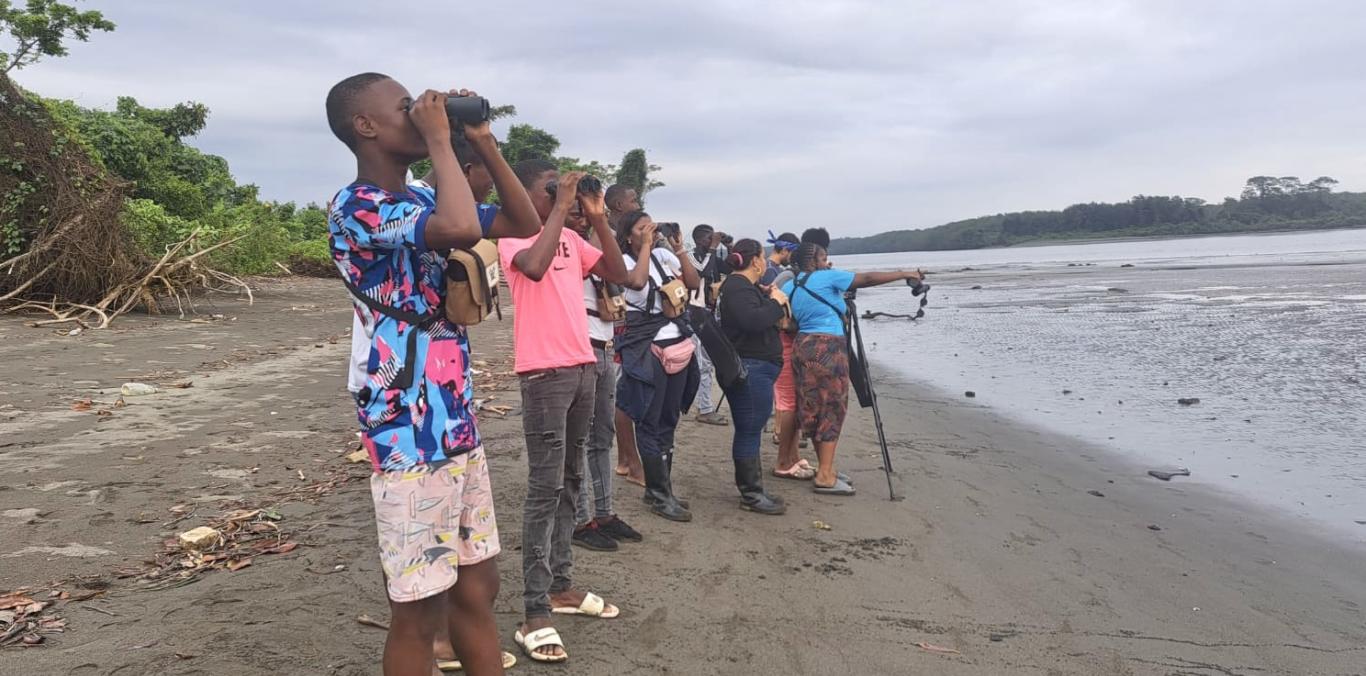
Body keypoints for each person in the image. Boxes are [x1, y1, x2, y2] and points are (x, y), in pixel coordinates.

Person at [325, 74, 541, 676]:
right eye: (404, 108)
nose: (420, 113)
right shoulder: (356, 206)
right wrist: (443, 141)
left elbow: (522, 221)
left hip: (455, 419)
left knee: (478, 588)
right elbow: (460, 230)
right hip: (403, 426)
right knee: (419, 610)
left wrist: (483, 141)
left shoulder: (422, 194)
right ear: (365, 126)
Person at [497, 159, 637, 664]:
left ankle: (561, 585)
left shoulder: (573, 240)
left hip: (583, 367)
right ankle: (535, 610)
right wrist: (559, 206)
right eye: (551, 189)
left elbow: (621, 275)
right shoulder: (513, 239)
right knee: (545, 487)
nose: (564, 196)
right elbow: (532, 268)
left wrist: (599, 217)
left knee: (572, 480)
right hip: (543, 374)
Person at [781, 233, 923, 496]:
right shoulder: (826, 278)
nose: (828, 262)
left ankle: (826, 467)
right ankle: (824, 474)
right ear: (813, 259)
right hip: (829, 348)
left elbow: (785, 319)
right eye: (824, 258)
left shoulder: (791, 286)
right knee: (832, 407)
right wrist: (904, 273)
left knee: (812, 405)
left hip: (802, 346)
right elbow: (867, 279)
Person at [565, 201, 645, 553]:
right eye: (577, 212)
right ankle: (580, 520)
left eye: (591, 212)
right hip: (576, 347)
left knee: (602, 436)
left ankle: (604, 511)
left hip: (603, 344)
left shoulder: (596, 245)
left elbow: (626, 277)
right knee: (579, 439)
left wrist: (601, 225)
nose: (586, 219)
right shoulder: (563, 245)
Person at [615, 211, 701, 521]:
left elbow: (692, 283)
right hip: (647, 347)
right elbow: (636, 284)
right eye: (642, 228)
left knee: (670, 417)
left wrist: (678, 248)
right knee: (649, 420)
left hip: (677, 342)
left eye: (651, 226)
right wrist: (646, 248)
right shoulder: (623, 261)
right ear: (628, 236)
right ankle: (658, 493)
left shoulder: (665, 255)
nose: (649, 231)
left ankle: (662, 489)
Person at [716, 239, 787, 515]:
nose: (764, 261)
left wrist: (765, 296)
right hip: (751, 367)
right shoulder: (736, 287)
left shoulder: (740, 287)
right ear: (756, 261)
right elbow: (752, 320)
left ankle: (754, 489)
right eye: (762, 256)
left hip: (755, 366)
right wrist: (775, 303)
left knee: (751, 428)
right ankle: (751, 494)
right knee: (749, 429)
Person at [761, 232, 816, 479]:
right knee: (787, 402)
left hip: (785, 342)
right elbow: (779, 313)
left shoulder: (781, 273)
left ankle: (792, 456)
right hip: (783, 342)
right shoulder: (783, 276)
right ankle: (785, 459)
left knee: (791, 400)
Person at [604, 184, 645, 486]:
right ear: (618, 205)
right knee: (626, 396)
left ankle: (624, 458)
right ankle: (631, 460)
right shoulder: (607, 238)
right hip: (621, 327)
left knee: (624, 395)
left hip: (622, 325)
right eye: (632, 200)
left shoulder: (617, 239)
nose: (637, 203)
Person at [686, 223, 729, 427]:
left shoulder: (713, 257)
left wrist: (730, 246)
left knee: (707, 363)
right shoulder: (689, 257)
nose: (710, 242)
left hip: (708, 314)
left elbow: (730, 267)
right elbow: (702, 271)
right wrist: (713, 248)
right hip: (694, 314)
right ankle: (704, 409)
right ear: (697, 240)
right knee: (702, 365)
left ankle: (702, 405)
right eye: (707, 239)